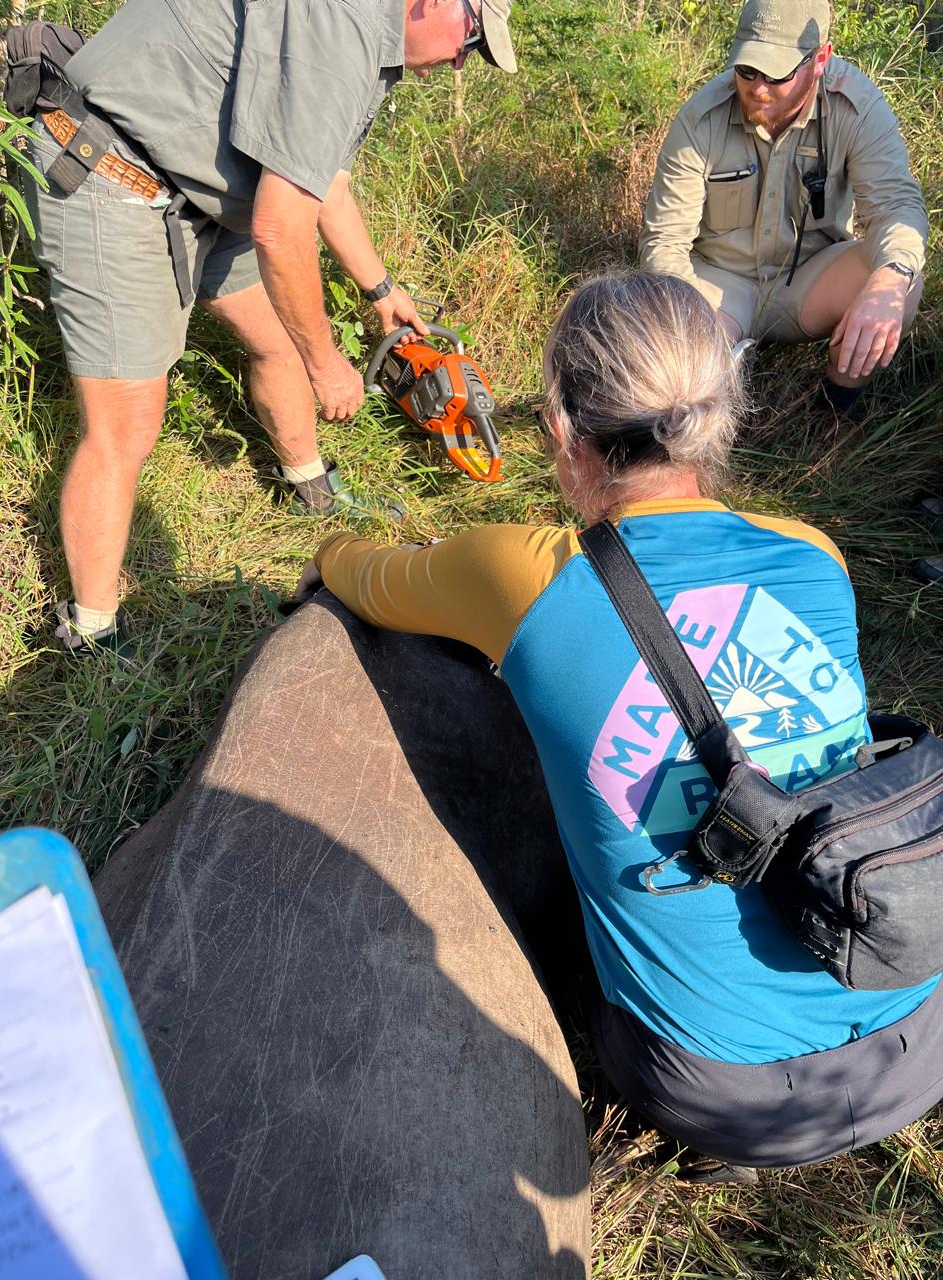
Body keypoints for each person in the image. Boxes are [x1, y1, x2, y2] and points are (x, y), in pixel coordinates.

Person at [298, 272, 943, 1175]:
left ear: (562, 432)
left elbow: (364, 576)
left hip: (716, 1093)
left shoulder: (524, 577)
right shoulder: (817, 556)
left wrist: (327, 544)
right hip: (915, 1021)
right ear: (724, 413)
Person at [20, 0, 516, 657]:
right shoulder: (343, 29)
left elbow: (326, 187)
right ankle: (90, 633)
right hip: (114, 170)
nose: (460, 62)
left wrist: (382, 290)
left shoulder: (373, 43)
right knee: (128, 424)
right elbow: (283, 230)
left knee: (276, 333)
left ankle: (309, 486)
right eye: (470, 40)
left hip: (203, 190)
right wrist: (326, 362)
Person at [639, 0, 927, 416]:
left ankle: (831, 414)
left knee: (902, 280)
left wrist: (886, 286)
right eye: (747, 70)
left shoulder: (856, 108)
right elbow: (664, 241)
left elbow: (897, 206)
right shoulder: (701, 118)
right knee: (678, 367)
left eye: (777, 75)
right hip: (719, 285)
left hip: (810, 278)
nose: (758, 87)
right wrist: (693, 323)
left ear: (821, 59)